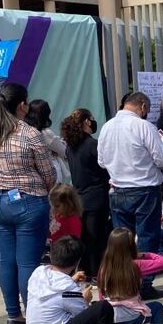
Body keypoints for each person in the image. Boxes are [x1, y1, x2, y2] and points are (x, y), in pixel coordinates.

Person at [0, 83, 57, 324]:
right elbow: (48, 173)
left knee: (6, 261)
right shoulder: (29, 133)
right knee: (27, 264)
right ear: (22, 105)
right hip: (28, 200)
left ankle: (13, 315)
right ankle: (33, 317)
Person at [97, 92, 163, 301]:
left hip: (118, 189)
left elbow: (101, 162)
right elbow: (161, 160)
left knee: (122, 242)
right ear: (143, 106)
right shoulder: (144, 126)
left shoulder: (107, 127)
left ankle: (124, 284)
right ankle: (143, 284)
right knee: (147, 237)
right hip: (144, 189)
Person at [61, 108, 112, 278]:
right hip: (97, 196)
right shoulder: (92, 145)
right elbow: (105, 167)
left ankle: (86, 271)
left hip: (80, 198)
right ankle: (96, 272)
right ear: (86, 122)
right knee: (97, 238)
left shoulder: (71, 147)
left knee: (86, 237)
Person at [25, 99, 70, 183]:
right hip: (50, 171)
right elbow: (65, 152)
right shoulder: (45, 133)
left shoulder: (24, 130)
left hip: (31, 174)